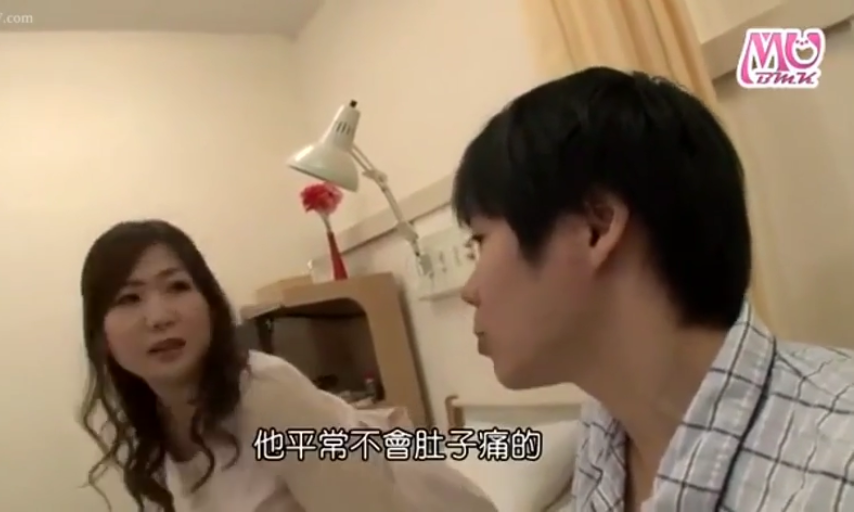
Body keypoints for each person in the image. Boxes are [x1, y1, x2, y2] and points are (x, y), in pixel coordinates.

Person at [451, 66, 854, 511]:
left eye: (480, 241)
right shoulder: (604, 433)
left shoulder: (838, 467)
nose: (469, 290)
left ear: (596, 227)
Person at [78, 219, 496, 512]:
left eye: (177, 286)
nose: (158, 316)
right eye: (128, 299)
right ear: (100, 335)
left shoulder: (264, 393)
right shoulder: (158, 423)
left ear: (210, 305)